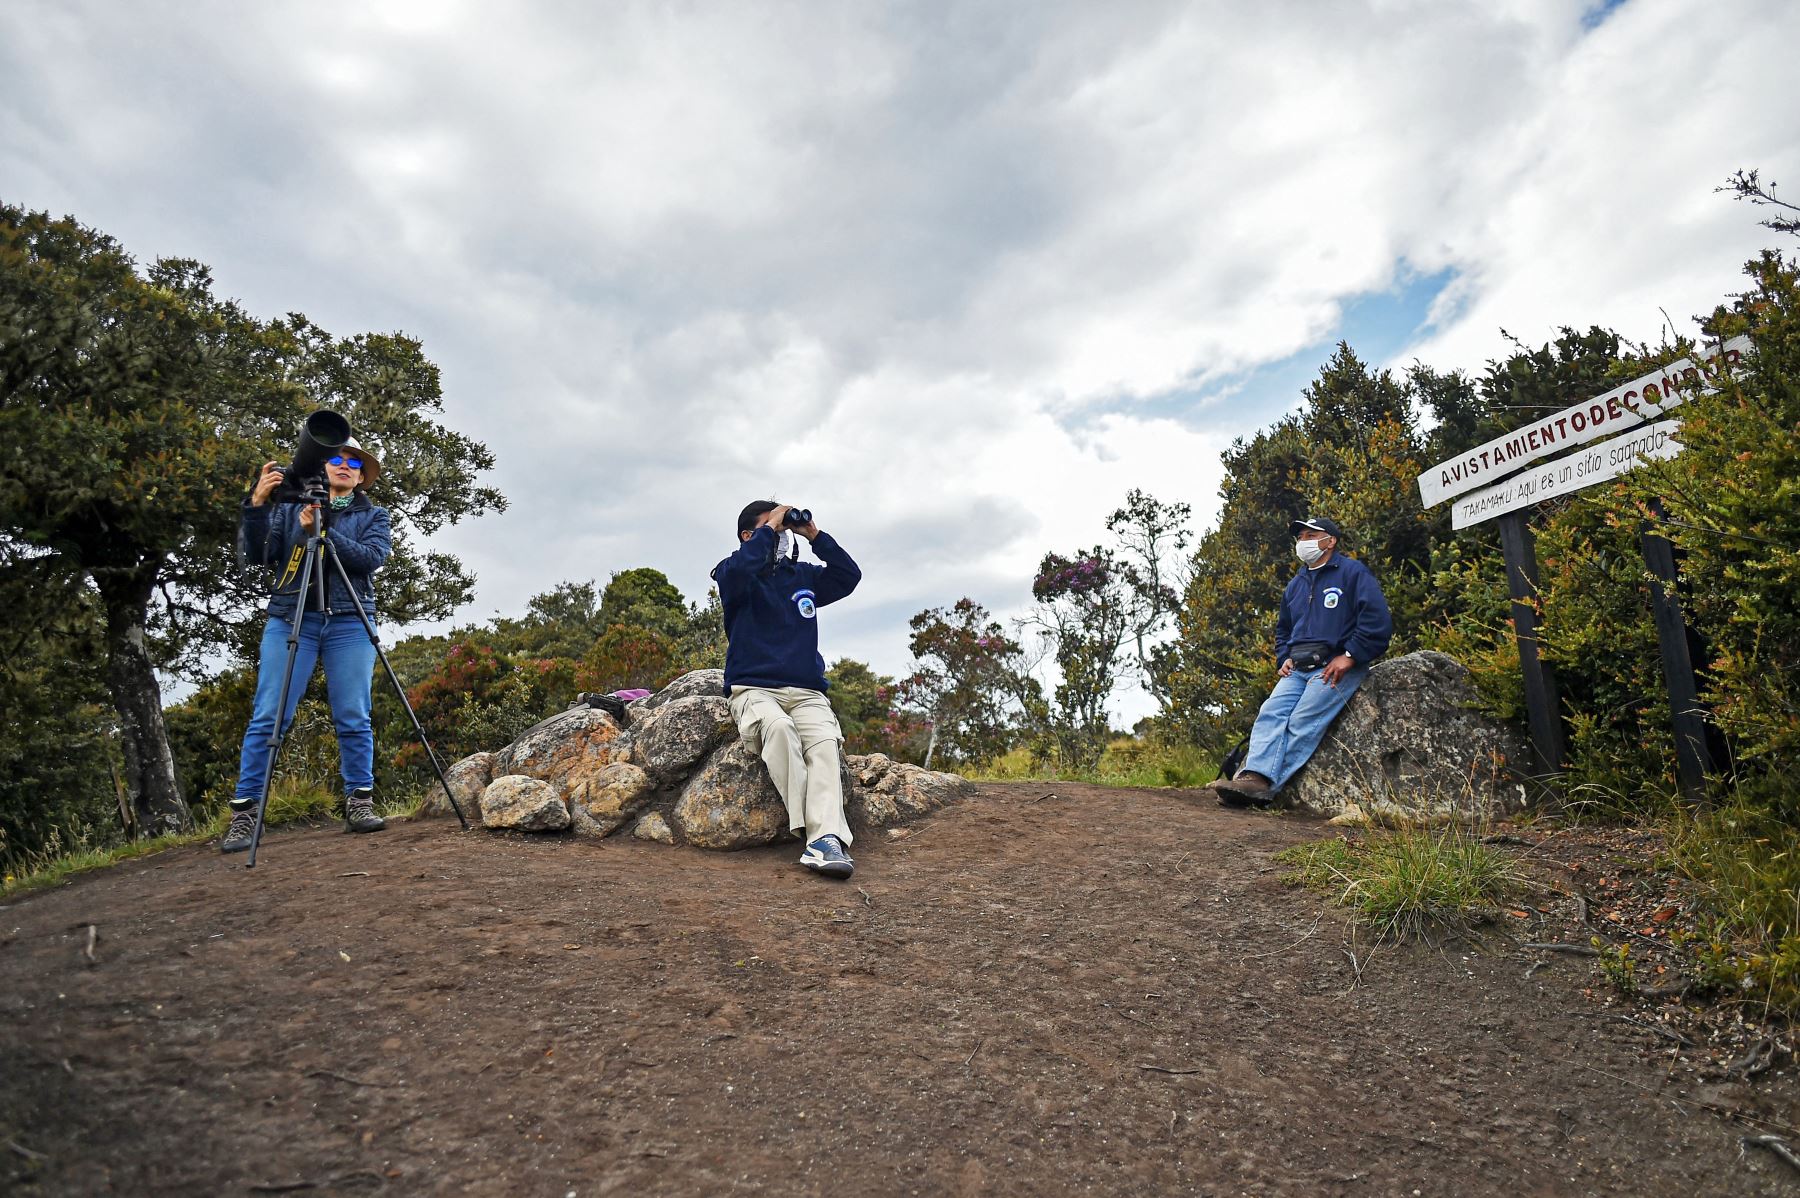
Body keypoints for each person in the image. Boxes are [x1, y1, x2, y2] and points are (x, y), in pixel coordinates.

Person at [220, 439, 393, 852]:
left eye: (355, 462)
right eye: (337, 458)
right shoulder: (286, 508)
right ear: (322, 466)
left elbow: (371, 557)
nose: (346, 465)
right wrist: (258, 504)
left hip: (350, 620)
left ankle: (359, 803)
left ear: (363, 476)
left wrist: (325, 531)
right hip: (290, 617)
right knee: (269, 714)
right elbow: (258, 556)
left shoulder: (373, 515)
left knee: (354, 713)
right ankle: (246, 814)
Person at [712, 501, 862, 878]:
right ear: (750, 536)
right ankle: (815, 837)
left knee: (825, 745)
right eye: (771, 528)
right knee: (778, 730)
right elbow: (743, 566)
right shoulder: (735, 575)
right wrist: (771, 529)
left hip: (807, 691)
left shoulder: (803, 577)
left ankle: (825, 840)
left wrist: (812, 535)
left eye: (781, 529)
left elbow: (848, 576)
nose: (780, 536)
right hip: (755, 689)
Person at [1211, 516, 1392, 807]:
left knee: (1302, 720)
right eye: (1300, 537)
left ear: (1330, 541)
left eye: (1310, 535)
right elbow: (1283, 629)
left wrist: (1349, 656)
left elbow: (1377, 620)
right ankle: (1250, 779)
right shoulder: (1296, 585)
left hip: (1337, 665)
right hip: (1298, 668)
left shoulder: (1352, 573)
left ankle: (1263, 788)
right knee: (1270, 713)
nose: (1303, 542)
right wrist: (1283, 657)